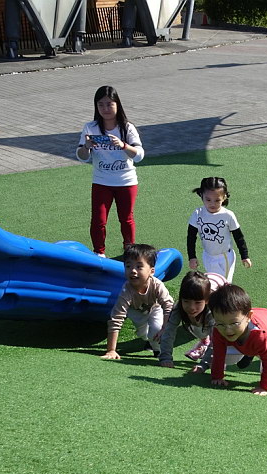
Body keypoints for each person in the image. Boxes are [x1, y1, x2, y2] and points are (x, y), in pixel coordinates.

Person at [76, 86, 145, 258]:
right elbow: (82, 156)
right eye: (101, 105)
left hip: (126, 181)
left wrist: (123, 145)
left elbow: (139, 155)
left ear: (117, 104)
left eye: (109, 104)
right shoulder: (90, 128)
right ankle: (99, 253)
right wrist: (86, 146)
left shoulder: (127, 128)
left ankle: (129, 253)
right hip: (101, 181)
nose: (105, 109)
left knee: (126, 219)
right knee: (98, 220)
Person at [208, 284, 267, 395]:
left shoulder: (261, 334)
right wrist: (217, 377)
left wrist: (264, 387)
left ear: (249, 317)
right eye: (221, 323)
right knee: (228, 358)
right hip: (245, 337)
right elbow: (218, 354)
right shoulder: (218, 328)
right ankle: (249, 352)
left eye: (234, 323)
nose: (228, 330)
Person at [102, 244, 173, 359]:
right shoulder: (126, 291)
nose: (133, 271)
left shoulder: (157, 285)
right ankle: (148, 341)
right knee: (143, 334)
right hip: (135, 311)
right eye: (128, 266)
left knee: (156, 329)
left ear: (151, 271)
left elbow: (168, 305)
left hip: (155, 307)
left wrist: (165, 327)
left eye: (139, 267)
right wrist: (111, 350)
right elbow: (116, 318)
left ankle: (158, 350)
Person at [158, 271, 229, 373]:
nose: (191, 307)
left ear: (207, 300)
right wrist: (165, 357)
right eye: (186, 301)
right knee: (195, 324)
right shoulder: (178, 307)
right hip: (204, 286)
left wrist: (203, 364)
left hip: (222, 288)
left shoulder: (213, 310)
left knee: (223, 332)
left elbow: (216, 340)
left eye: (197, 302)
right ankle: (204, 342)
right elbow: (169, 331)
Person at [187, 177, 251, 283]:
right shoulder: (197, 214)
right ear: (201, 195)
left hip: (224, 258)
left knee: (223, 285)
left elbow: (238, 236)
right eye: (208, 200)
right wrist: (192, 257)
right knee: (212, 284)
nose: (212, 204)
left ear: (224, 197)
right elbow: (191, 237)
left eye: (217, 200)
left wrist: (245, 255)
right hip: (207, 256)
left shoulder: (228, 215)